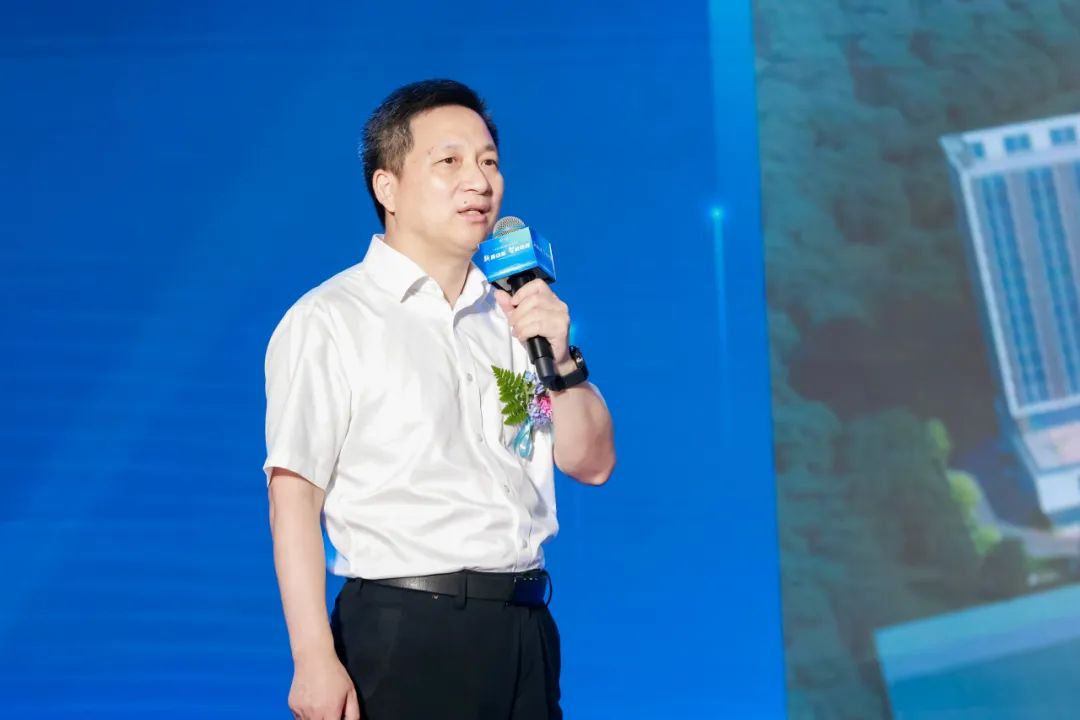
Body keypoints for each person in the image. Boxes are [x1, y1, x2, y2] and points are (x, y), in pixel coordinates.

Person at [263, 78, 616, 720]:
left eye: (489, 161)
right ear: (387, 188)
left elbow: (591, 463)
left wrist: (561, 360)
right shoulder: (332, 319)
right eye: (449, 161)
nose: (478, 181)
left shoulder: (517, 314)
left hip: (526, 629)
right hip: (406, 631)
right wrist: (312, 656)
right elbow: (294, 500)